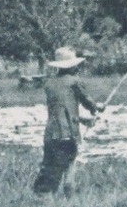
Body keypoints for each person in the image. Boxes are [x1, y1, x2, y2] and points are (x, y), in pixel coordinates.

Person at [32, 46, 103, 195]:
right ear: (72, 66)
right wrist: (96, 108)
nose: (78, 67)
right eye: (76, 65)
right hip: (67, 134)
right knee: (69, 165)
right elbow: (86, 101)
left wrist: (85, 120)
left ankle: (45, 197)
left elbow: (61, 111)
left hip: (50, 134)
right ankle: (69, 198)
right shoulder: (74, 82)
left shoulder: (49, 84)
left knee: (50, 166)